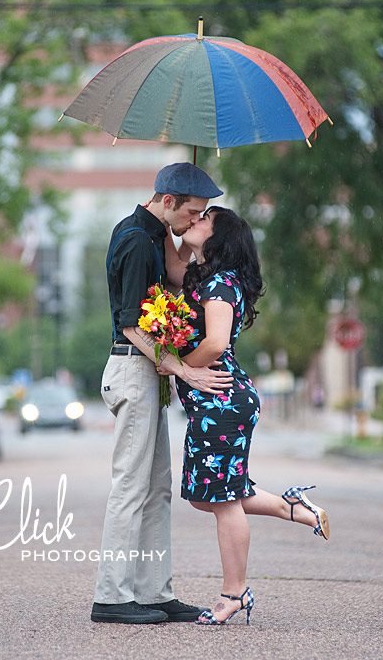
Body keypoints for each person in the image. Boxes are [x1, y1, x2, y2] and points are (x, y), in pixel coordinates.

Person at [91, 163, 234, 626]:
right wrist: (184, 374)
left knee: (157, 490)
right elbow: (131, 324)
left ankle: (155, 591)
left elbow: (175, 280)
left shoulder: (156, 236)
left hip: (146, 372)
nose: (196, 222)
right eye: (192, 213)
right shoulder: (135, 239)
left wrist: (188, 244)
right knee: (130, 487)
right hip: (133, 368)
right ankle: (112, 597)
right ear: (167, 201)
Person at [173, 206, 330, 625]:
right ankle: (291, 507)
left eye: (204, 219)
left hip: (221, 402)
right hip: (216, 403)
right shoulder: (205, 277)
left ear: (218, 238)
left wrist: (180, 363)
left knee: (221, 502)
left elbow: (217, 342)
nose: (195, 221)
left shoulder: (221, 285)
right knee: (206, 496)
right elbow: (175, 260)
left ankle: (234, 593)